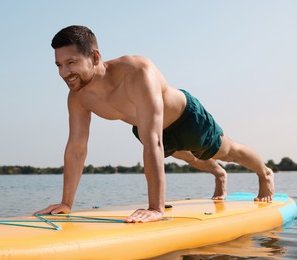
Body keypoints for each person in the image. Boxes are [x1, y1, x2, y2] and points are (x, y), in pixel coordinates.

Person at [35, 25, 274, 223]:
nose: (64, 73)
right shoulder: (78, 97)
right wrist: (67, 203)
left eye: (71, 63)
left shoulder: (138, 72)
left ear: (95, 57)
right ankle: (219, 175)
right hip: (146, 128)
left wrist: (155, 208)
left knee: (227, 151)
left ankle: (264, 174)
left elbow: (154, 141)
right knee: (190, 158)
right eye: (59, 65)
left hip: (186, 118)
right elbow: (77, 149)